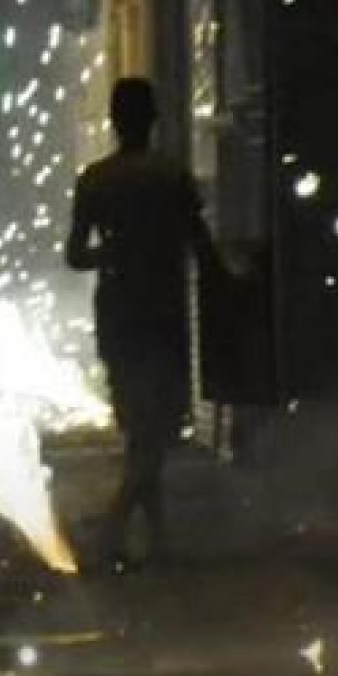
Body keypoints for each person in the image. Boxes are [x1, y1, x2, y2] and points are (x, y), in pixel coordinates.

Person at [67, 76, 224, 568]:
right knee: (157, 433)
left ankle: (156, 541)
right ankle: (113, 532)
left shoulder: (94, 179)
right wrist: (231, 285)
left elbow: (75, 255)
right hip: (162, 316)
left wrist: (111, 251)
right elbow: (201, 246)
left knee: (140, 430)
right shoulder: (171, 175)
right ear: (153, 118)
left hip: (118, 316)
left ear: (113, 121)